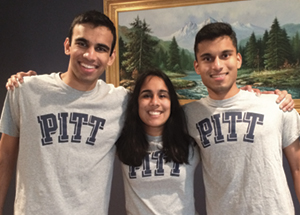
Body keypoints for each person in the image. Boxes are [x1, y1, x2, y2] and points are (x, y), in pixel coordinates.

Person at [0, 10, 128, 215]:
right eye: (82, 43)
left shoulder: (121, 101)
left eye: (101, 48)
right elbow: (5, 156)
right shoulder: (25, 90)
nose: (90, 55)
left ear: (111, 57)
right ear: (68, 45)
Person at [183, 22, 300, 215]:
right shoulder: (189, 115)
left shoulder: (277, 105)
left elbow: (297, 168)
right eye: (207, 58)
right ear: (197, 66)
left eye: (225, 55)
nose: (217, 65)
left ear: (238, 59)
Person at [115, 69, 200, 215]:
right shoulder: (122, 141)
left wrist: (248, 94)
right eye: (146, 95)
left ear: (171, 102)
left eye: (162, 95)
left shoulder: (191, 143)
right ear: (136, 102)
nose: (155, 102)